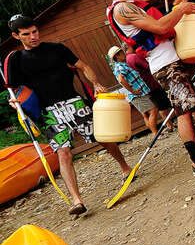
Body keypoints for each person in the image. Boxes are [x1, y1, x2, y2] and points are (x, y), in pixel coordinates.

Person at [5, 15, 133, 215]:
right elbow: (15, 91)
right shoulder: (16, 60)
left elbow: (84, 66)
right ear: (16, 36)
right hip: (48, 113)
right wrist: (15, 103)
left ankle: (125, 167)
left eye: (35, 31)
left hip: (74, 103)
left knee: (102, 138)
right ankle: (77, 201)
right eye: (26, 34)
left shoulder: (57, 48)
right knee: (63, 152)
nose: (33, 36)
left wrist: (96, 83)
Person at [99, 0, 195, 177]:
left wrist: (175, 9)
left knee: (191, 105)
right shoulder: (123, 8)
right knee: (184, 111)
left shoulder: (127, 6)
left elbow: (160, 23)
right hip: (164, 63)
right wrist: (180, 10)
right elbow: (162, 27)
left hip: (170, 58)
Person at [107, 45, 161, 136]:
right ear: (117, 56)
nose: (123, 53)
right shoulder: (120, 66)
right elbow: (121, 79)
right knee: (153, 110)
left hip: (139, 93)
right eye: (120, 52)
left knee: (146, 114)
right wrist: (132, 91)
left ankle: (154, 132)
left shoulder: (122, 65)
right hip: (137, 94)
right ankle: (155, 133)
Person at [124, 44, 175, 132]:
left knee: (156, 108)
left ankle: (169, 125)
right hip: (152, 82)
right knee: (163, 105)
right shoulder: (134, 57)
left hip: (145, 86)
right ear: (128, 47)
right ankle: (167, 126)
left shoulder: (127, 60)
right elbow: (148, 66)